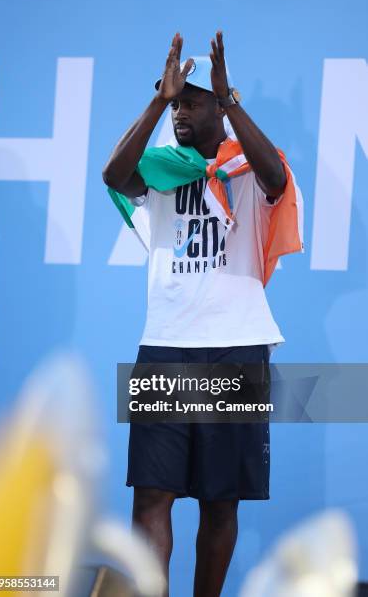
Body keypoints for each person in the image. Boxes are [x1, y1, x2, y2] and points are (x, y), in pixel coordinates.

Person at [103, 31, 303, 597]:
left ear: (218, 104)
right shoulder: (161, 171)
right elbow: (114, 175)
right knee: (150, 497)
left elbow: (277, 179)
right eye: (177, 102)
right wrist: (157, 101)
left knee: (220, 505)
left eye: (192, 101)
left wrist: (231, 100)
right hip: (164, 348)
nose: (181, 111)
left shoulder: (248, 168)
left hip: (237, 350)